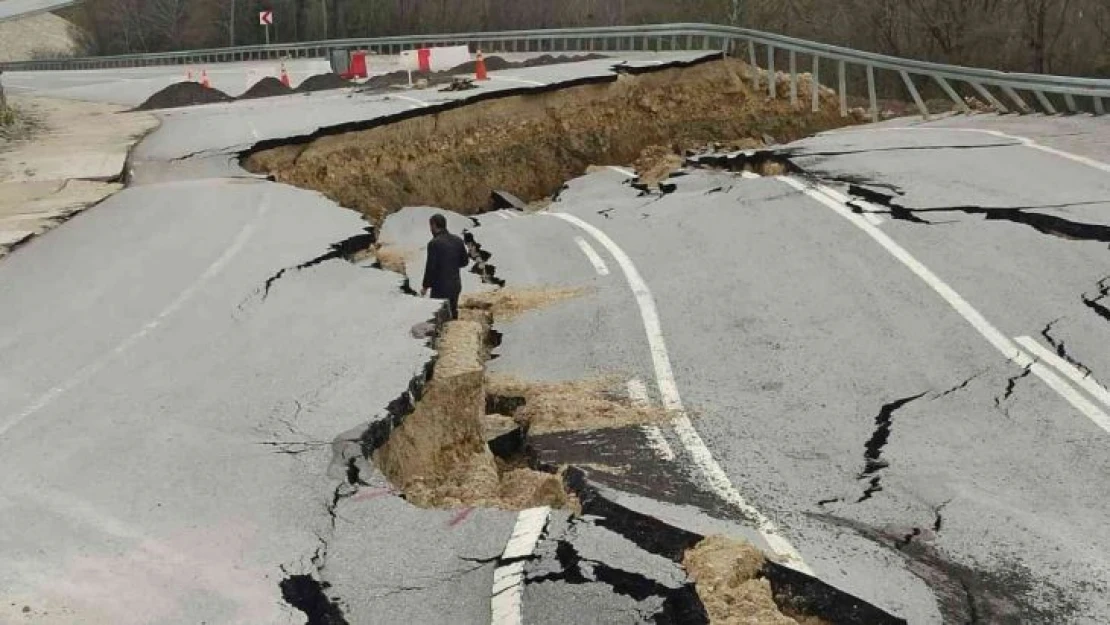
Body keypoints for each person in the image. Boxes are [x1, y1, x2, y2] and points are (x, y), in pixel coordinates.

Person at [421, 214, 470, 319]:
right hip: (455, 285)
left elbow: (430, 268)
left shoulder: (434, 244)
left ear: (434, 225)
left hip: (440, 288)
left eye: (431, 226)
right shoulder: (458, 240)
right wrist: (451, 264)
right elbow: (465, 262)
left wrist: (425, 286)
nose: (430, 229)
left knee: (439, 316)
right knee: (453, 311)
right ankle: (455, 332)